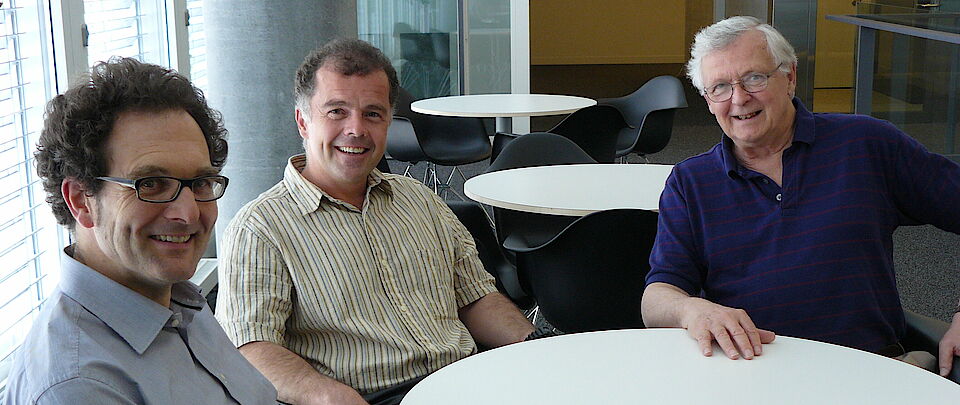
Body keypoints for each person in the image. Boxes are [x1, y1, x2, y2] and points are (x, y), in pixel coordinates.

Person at [215, 38, 536, 405]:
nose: (356, 129)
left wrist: (534, 345)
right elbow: (250, 347)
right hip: (368, 398)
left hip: (466, 380)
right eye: (337, 111)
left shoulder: (420, 201)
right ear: (303, 121)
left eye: (372, 114)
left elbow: (475, 297)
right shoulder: (260, 229)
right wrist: (328, 397)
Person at [641, 16, 960, 377]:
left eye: (754, 78)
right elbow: (657, 297)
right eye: (720, 87)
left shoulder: (866, 144)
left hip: (868, 372)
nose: (739, 99)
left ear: (790, 76)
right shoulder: (690, 182)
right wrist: (689, 310)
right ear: (707, 100)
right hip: (749, 377)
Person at [2, 58, 278, 404]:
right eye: (151, 184)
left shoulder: (176, 299)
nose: (188, 213)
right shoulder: (79, 386)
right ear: (81, 200)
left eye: (201, 182)